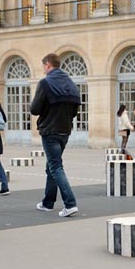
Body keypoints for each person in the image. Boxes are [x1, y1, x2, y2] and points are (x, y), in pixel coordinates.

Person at [31, 52, 81, 217]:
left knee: (55, 166)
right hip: (65, 130)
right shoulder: (71, 84)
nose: (44, 70)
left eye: (44, 67)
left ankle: (70, 203)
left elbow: (35, 109)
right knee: (51, 165)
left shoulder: (45, 83)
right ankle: (48, 202)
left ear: (47, 65)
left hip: (49, 130)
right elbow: (75, 110)